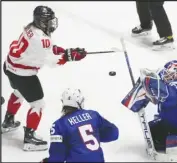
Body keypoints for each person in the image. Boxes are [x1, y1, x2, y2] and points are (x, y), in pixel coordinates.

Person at [1, 6, 87, 151]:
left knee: (19, 92)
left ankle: (8, 122)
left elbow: (48, 48)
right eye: (48, 21)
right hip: (23, 74)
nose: (52, 23)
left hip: (10, 67)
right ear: (41, 21)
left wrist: (65, 51)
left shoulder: (31, 28)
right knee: (38, 104)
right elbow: (52, 61)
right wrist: (69, 56)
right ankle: (29, 139)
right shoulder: (40, 39)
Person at [40, 88, 119, 162]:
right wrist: (94, 135)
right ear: (79, 102)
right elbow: (114, 134)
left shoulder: (58, 125)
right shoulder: (93, 115)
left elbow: (58, 156)